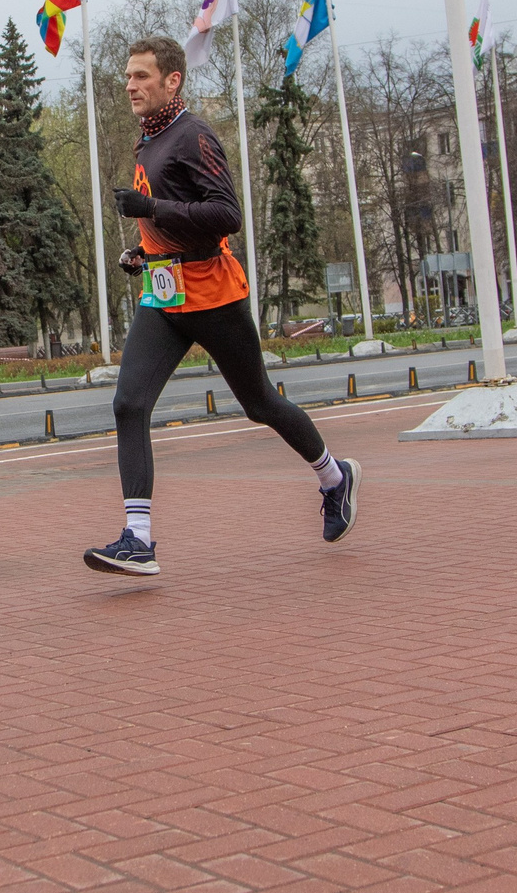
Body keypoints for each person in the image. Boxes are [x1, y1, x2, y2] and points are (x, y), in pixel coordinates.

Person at [83, 36, 358, 577]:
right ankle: (138, 538)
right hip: (163, 295)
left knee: (258, 403)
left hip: (213, 293)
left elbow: (226, 214)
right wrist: (144, 249)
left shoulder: (194, 135)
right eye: (128, 77)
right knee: (128, 403)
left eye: (141, 76)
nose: (131, 86)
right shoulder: (149, 139)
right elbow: (173, 222)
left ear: (172, 81)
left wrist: (151, 206)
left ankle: (334, 476)